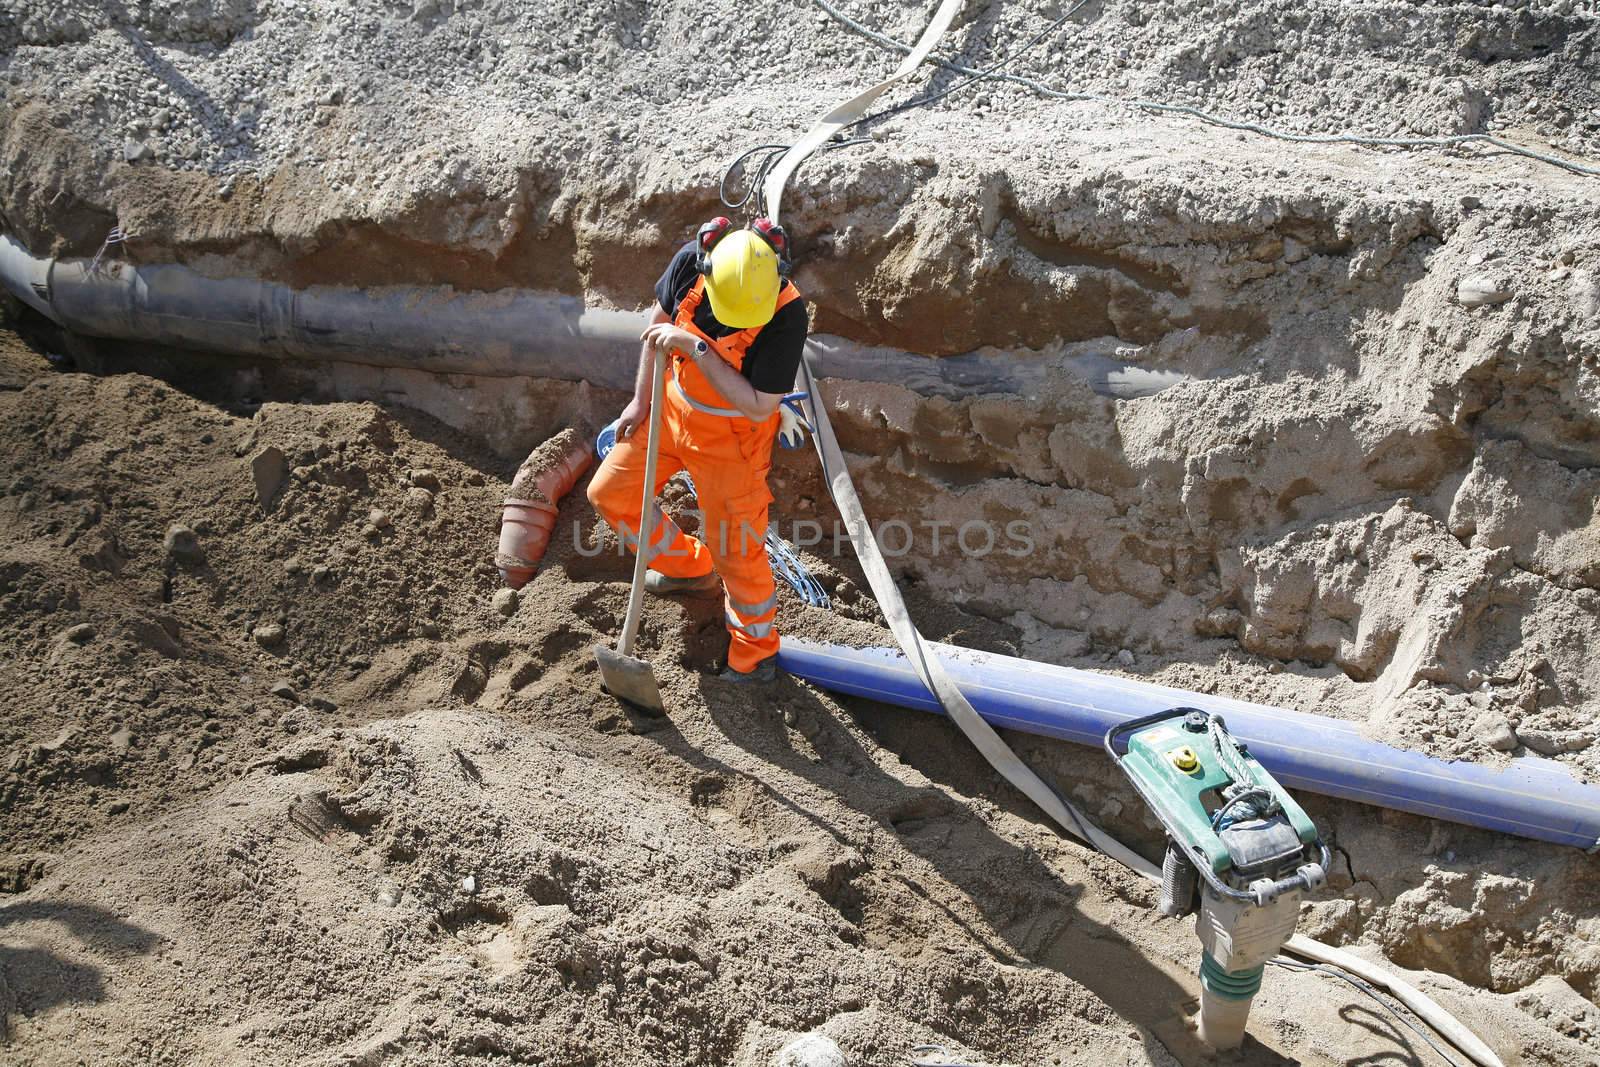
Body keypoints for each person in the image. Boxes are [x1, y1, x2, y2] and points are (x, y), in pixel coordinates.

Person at [587, 217, 808, 683]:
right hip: (670, 412)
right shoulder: (692, 263)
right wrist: (641, 401)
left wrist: (696, 347)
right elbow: (657, 325)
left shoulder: (786, 315)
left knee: (736, 551)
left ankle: (754, 653)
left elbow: (756, 404)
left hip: (733, 443)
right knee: (610, 494)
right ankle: (687, 568)